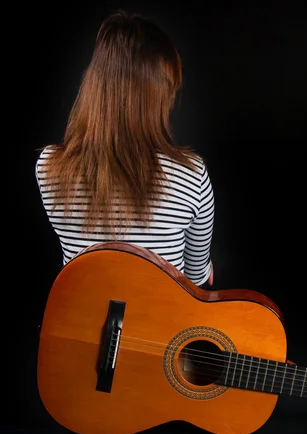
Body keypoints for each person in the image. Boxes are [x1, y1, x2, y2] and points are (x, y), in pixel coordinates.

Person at [35, 10, 214, 287]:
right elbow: (196, 279)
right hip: (162, 331)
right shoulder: (191, 175)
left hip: (75, 329)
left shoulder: (48, 167)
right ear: (158, 96)